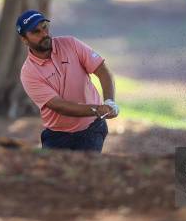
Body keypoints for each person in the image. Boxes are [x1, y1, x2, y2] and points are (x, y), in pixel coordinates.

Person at [17, 9, 119, 152]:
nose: (44, 34)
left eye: (44, 27)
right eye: (36, 32)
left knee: (86, 171)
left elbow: (102, 70)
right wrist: (97, 109)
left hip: (92, 128)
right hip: (57, 136)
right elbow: (60, 106)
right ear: (24, 40)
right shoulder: (28, 73)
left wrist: (109, 102)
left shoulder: (71, 44)